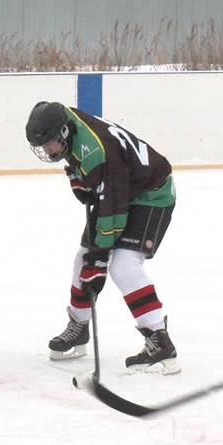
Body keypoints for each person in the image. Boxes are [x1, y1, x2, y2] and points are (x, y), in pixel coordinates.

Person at [24, 100, 180, 373]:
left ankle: (159, 340)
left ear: (62, 132)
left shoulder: (96, 150)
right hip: (124, 187)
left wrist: (99, 259)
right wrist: (79, 178)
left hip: (153, 194)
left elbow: (113, 206)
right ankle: (79, 326)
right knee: (83, 257)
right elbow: (93, 175)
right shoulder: (67, 120)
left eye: (49, 143)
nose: (47, 150)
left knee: (123, 265)